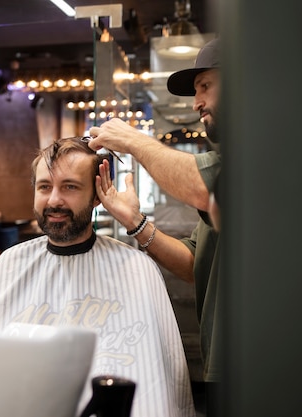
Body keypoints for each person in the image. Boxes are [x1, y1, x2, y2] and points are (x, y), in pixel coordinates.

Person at [0, 137, 196, 417]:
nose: (54, 200)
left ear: (96, 196)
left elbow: (161, 387)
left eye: (70, 187)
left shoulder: (136, 268)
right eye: (45, 187)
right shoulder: (10, 263)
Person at [86, 38, 222, 415]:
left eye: (205, 87)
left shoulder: (263, 151)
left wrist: (132, 140)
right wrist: (133, 221)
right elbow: (195, 264)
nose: (196, 103)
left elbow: (197, 184)